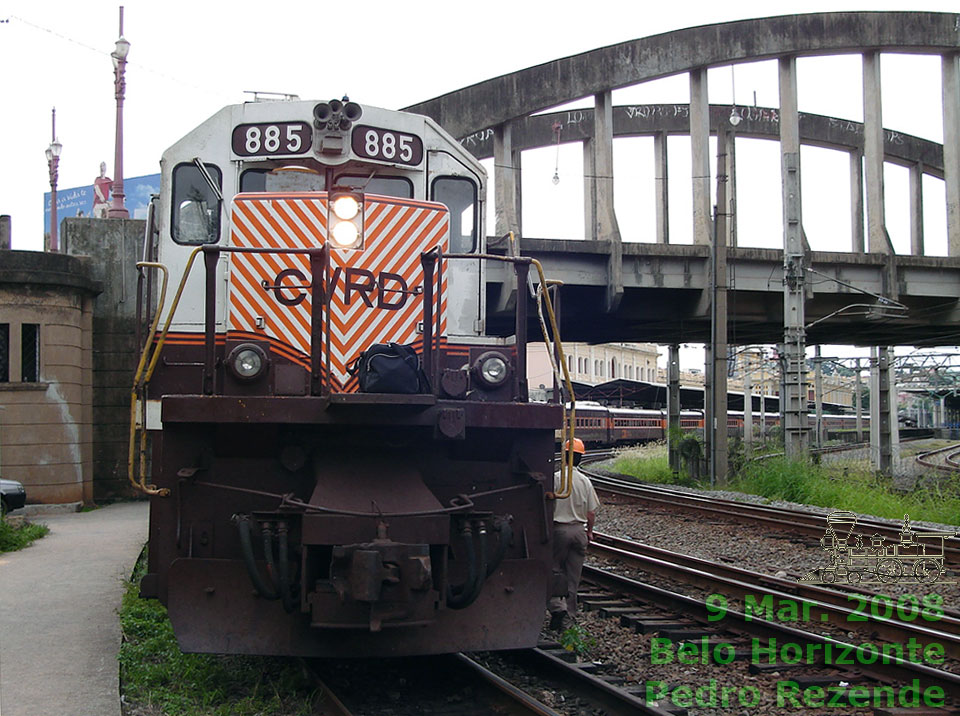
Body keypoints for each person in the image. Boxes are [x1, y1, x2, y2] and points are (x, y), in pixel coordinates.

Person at [548, 437, 600, 631]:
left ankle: (557, 608)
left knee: (553, 569)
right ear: (580, 458)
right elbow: (591, 512)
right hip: (579, 531)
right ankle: (569, 618)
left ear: (564, 457)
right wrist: (590, 532)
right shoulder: (585, 481)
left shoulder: (556, 478)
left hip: (559, 530)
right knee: (573, 576)